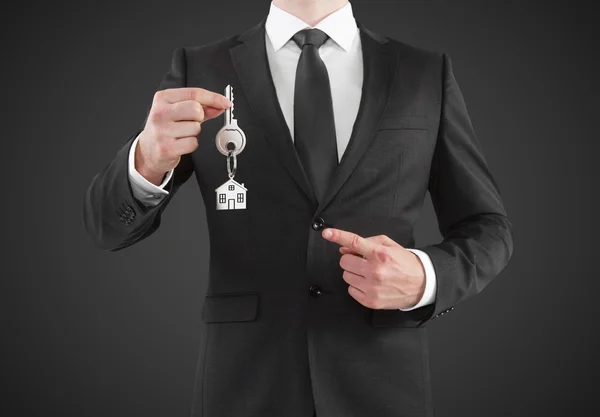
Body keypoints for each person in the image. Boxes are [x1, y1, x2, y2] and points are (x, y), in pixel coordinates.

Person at [82, 1, 514, 416]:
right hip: (244, 386)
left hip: (382, 385)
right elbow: (106, 227)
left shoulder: (425, 72)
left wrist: (425, 277)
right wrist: (145, 161)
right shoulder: (202, 67)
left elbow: (488, 226)